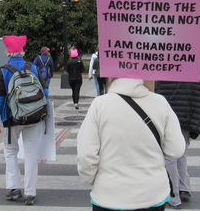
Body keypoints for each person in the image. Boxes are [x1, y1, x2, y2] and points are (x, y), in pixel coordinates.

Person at [77, 78, 186, 211]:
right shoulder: (160, 102)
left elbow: (86, 156)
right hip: (152, 195)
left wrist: (95, 180)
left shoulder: (99, 104)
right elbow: (176, 150)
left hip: (108, 196)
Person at [0, 35, 49, 206]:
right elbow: (45, 93)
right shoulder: (33, 68)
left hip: (11, 119)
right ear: (22, 51)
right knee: (31, 154)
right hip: (34, 117)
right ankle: (30, 193)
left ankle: (13, 188)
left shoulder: (3, 71)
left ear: (8, 52)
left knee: (10, 152)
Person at [155, 81, 200, 209]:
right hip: (185, 120)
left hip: (168, 119)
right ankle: (184, 188)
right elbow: (199, 100)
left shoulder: (162, 73)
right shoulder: (192, 73)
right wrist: (196, 124)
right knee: (181, 153)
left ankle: (174, 196)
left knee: (169, 157)